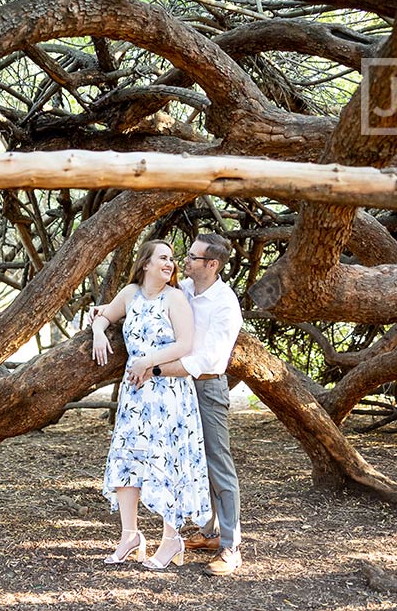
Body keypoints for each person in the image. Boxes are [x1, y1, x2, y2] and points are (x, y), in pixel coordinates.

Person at [91, 239, 212, 571]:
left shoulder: (175, 298)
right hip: (135, 394)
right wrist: (99, 331)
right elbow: (104, 316)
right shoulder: (130, 294)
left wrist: (146, 361)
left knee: (166, 461)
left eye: (172, 259)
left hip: (168, 392)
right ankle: (129, 536)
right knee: (127, 459)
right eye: (163, 257)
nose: (170, 263)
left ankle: (171, 539)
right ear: (145, 264)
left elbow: (185, 345)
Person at [127, 233, 243, 576]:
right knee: (186, 459)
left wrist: (156, 368)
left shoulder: (225, 305)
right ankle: (209, 532)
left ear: (212, 265)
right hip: (175, 390)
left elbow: (205, 359)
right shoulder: (186, 291)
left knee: (217, 462)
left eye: (193, 257)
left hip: (205, 387)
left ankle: (231, 546)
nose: (184, 261)